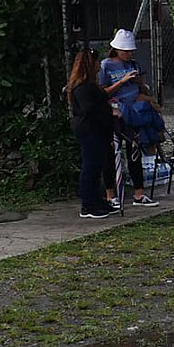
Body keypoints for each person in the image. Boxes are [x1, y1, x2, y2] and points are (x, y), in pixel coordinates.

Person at [98, 29, 159, 208]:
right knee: (111, 154)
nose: (129, 54)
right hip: (115, 112)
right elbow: (102, 92)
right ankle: (110, 195)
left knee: (134, 151)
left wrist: (139, 83)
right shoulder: (106, 66)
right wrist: (122, 81)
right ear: (117, 49)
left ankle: (139, 193)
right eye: (125, 51)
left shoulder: (133, 64)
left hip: (134, 111)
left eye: (131, 51)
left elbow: (142, 90)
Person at [67, 48, 116, 219]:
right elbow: (90, 110)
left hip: (99, 130)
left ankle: (97, 200)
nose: (99, 65)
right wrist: (107, 112)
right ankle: (88, 204)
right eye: (96, 62)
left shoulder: (91, 85)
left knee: (96, 166)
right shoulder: (82, 88)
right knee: (90, 166)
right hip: (90, 130)